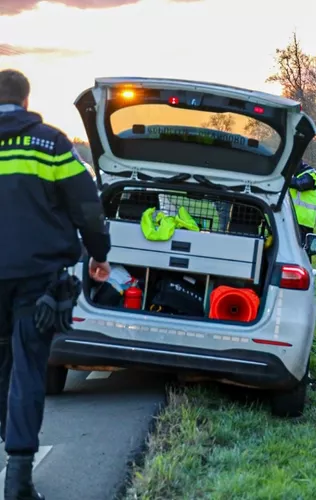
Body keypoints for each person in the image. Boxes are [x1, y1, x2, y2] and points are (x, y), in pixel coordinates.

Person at [0, 69, 112, 500]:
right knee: (28, 370)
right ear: (26, 101)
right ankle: (18, 481)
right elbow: (87, 204)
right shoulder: (49, 143)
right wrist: (99, 254)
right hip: (35, 282)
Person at [288, 160, 316, 241]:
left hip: (303, 224)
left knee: (300, 250)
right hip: (289, 219)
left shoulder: (312, 174)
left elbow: (300, 184)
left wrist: (282, 178)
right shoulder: (293, 175)